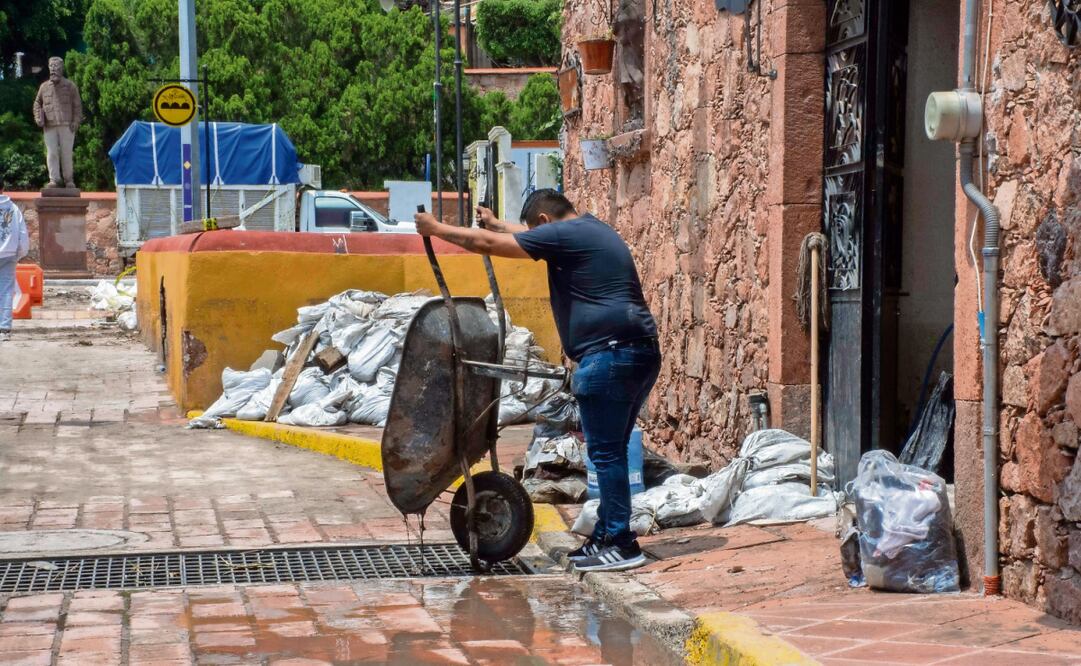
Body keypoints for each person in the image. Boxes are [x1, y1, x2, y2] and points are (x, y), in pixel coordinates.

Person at [415, 189, 660, 571]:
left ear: (544, 223)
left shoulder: (566, 235)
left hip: (610, 356)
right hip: (635, 352)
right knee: (606, 451)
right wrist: (499, 223)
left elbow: (486, 243)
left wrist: (435, 228)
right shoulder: (586, 229)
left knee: (606, 453)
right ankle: (608, 535)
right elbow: (515, 235)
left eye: (534, 230)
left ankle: (624, 543)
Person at [32, 56, 82, 189]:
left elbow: (77, 106)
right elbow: (37, 103)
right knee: (52, 153)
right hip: (49, 126)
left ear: (62, 69)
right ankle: (54, 179)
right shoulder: (44, 87)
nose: (53, 70)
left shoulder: (70, 86)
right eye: (51, 67)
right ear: (48, 68)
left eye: (57, 67)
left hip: (67, 125)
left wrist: (76, 121)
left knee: (66, 153)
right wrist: (38, 118)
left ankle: (69, 180)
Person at [0, 180, 31, 342]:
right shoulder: (13, 209)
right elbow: (22, 234)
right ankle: (4, 329)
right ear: (3, 188)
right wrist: (20, 253)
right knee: (6, 290)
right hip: (9, 254)